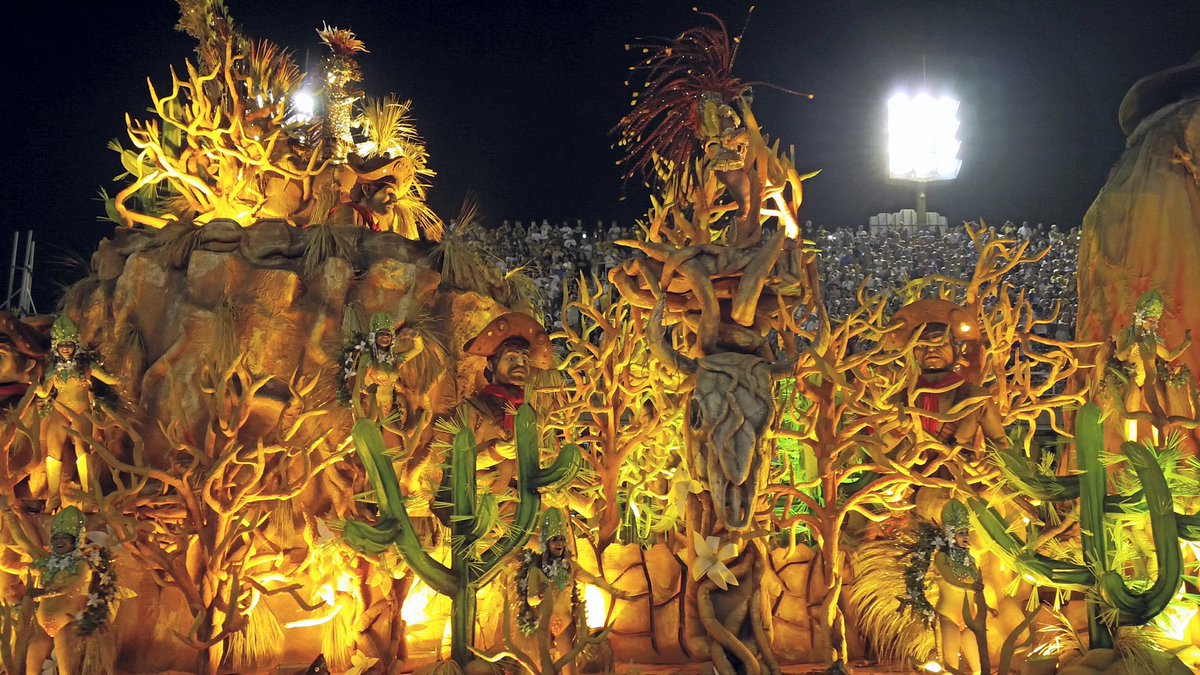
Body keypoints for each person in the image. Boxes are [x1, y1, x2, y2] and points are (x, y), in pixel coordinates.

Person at [517, 509, 629, 674]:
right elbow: (531, 599)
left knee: (570, 669)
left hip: (565, 624)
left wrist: (614, 591)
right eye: (555, 540)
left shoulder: (569, 566)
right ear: (546, 542)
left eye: (562, 539)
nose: (559, 544)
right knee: (543, 668)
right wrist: (538, 596)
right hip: (543, 627)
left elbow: (593, 579)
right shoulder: (536, 569)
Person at [889, 299, 1005, 452]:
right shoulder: (900, 400)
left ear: (956, 350)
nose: (930, 351)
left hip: (960, 473)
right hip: (910, 473)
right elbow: (879, 448)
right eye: (922, 346)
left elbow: (999, 443)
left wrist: (987, 465)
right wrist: (895, 434)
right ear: (912, 352)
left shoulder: (977, 398)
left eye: (940, 343)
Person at [35, 317, 118, 511]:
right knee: (52, 450)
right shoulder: (53, 370)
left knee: (82, 450)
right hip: (60, 410)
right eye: (62, 345)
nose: (65, 348)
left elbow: (108, 379)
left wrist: (121, 379)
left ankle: (89, 498)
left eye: (69, 345)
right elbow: (45, 391)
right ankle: (53, 499)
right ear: (56, 347)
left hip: (81, 412)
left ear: (75, 346)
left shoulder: (87, 367)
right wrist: (35, 386)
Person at [26, 506, 119, 675]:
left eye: (64, 537)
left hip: (66, 623)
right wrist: (12, 514)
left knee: (65, 670)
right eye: (56, 538)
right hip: (42, 627)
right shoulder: (47, 562)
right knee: (31, 662)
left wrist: (43, 593)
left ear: (75, 540)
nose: (59, 541)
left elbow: (72, 585)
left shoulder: (81, 563)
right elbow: (27, 544)